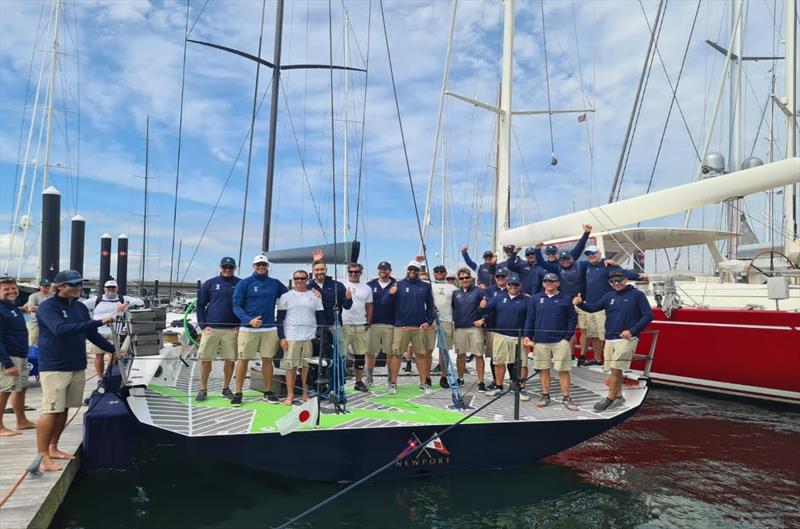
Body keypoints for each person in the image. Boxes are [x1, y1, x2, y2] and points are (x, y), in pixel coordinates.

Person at [36, 270, 117, 471]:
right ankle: (42, 455)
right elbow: (60, 330)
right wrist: (99, 321)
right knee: (51, 410)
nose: (78, 288)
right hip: (55, 365)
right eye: (74, 285)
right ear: (60, 287)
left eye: (80, 284)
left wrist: (113, 350)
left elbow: (90, 332)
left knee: (65, 409)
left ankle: (54, 447)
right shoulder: (48, 307)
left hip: (76, 364)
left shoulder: (80, 307)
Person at [573, 270, 653, 411]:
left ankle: (609, 397)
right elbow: (593, 308)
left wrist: (632, 331)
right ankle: (619, 396)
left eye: (619, 280)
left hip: (627, 338)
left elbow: (648, 316)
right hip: (610, 338)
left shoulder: (637, 295)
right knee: (615, 369)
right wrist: (580, 304)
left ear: (626, 279)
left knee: (616, 369)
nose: (616, 283)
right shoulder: (608, 296)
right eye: (612, 281)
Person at [231, 255, 288, 406]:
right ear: (253, 266)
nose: (261, 267)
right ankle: (238, 393)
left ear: (267, 266)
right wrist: (249, 320)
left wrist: (311, 291)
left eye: (263, 264)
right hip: (248, 328)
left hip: (269, 328)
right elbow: (236, 305)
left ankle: (268, 392)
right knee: (243, 360)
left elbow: (290, 296)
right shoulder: (244, 283)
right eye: (258, 264)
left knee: (268, 360)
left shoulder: (275, 283)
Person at [580, 246, 647, 365]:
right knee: (594, 335)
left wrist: (638, 276)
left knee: (603, 335)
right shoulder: (587, 266)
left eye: (594, 253)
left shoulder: (608, 266)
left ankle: (611, 362)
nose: (591, 255)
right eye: (588, 254)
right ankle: (597, 359)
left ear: (599, 254)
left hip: (603, 306)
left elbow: (623, 273)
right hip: (591, 306)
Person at [523, 273, 579, 410]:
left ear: (557, 283)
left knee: (563, 370)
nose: (549, 283)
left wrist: (567, 338)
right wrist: (527, 335)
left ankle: (566, 397)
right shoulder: (536, 299)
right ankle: (545, 395)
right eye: (546, 281)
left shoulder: (565, 298)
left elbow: (572, 319)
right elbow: (530, 318)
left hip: (560, 341)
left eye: (552, 281)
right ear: (543, 283)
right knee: (543, 369)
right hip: (540, 341)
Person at [475, 273, 531, 397]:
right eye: (511, 284)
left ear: (520, 285)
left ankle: (522, 388)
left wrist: (528, 335)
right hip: (501, 335)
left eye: (516, 284)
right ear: (507, 285)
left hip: (520, 336)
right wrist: (482, 308)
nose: (513, 287)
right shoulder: (499, 297)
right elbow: (487, 311)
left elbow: (530, 319)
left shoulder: (527, 300)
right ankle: (499, 386)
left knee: (522, 364)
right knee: (499, 362)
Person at [195, 257, 241, 402]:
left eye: (230, 267)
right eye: (225, 267)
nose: (227, 270)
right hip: (211, 329)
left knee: (230, 360)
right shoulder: (210, 283)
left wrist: (241, 324)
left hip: (231, 329)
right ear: (220, 267)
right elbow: (200, 305)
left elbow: (245, 305)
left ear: (235, 268)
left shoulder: (240, 284)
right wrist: (203, 325)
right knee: (205, 359)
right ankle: (203, 389)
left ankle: (226, 388)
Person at [277, 270, 325, 404]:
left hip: (309, 337)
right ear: (293, 279)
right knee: (290, 367)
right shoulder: (286, 296)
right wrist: (282, 337)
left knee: (306, 368)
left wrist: (320, 336)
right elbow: (279, 319)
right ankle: (290, 395)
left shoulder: (315, 296)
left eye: (302, 278)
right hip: (291, 337)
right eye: (296, 278)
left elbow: (321, 317)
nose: (299, 281)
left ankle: (305, 393)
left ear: (307, 280)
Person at [388, 261, 435, 394]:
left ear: (419, 271)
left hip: (418, 327)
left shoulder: (425, 286)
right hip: (400, 327)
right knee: (396, 355)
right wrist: (391, 294)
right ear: (406, 269)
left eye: (415, 269)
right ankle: (393, 383)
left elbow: (431, 307)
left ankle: (423, 384)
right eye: (410, 268)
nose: (413, 271)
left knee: (421, 355)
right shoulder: (398, 284)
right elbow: (386, 303)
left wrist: (429, 321)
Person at [81, 280, 144, 381]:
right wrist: (88, 320)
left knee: (115, 355)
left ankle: (108, 374)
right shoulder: (97, 299)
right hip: (98, 332)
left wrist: (126, 304)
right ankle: (100, 378)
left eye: (113, 287)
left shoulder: (122, 298)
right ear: (104, 289)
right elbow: (81, 306)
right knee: (99, 355)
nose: (110, 289)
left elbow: (141, 301)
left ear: (117, 288)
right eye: (108, 288)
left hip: (114, 332)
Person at [0, 276, 36, 436]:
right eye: (6, 289)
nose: (11, 291)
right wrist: (7, 363)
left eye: (13, 288)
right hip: (9, 356)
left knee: (21, 387)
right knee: (5, 390)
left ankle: (21, 421)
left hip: (21, 354)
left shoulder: (12, 307)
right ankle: (0, 427)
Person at [451, 268, 486, 390]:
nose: (464, 280)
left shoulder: (479, 291)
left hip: (474, 328)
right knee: (460, 355)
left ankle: (481, 381)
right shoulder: (455, 293)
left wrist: (483, 319)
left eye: (466, 277)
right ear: (459, 280)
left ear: (471, 278)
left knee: (479, 355)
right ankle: (460, 379)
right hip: (460, 328)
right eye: (461, 278)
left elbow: (489, 306)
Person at [342, 262, 373, 392]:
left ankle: (359, 382)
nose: (353, 274)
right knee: (340, 356)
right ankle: (338, 383)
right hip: (344, 324)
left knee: (360, 356)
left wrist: (369, 321)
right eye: (351, 272)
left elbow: (369, 305)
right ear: (348, 272)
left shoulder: (366, 288)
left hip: (360, 325)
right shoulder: (341, 284)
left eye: (356, 272)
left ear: (361, 273)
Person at [366, 262, 396, 386]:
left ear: (390, 270)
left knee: (390, 353)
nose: (383, 271)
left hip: (390, 324)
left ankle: (390, 379)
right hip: (373, 324)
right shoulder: (370, 285)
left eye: (386, 269)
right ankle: (369, 378)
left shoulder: (396, 284)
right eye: (381, 269)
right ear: (378, 270)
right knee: (370, 352)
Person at [429, 265, 458, 388]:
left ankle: (443, 376)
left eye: (441, 271)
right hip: (430, 321)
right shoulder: (428, 285)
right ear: (434, 273)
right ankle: (426, 377)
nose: (439, 273)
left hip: (446, 321)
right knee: (427, 350)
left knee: (443, 350)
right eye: (437, 271)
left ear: (445, 273)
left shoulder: (452, 288)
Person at [22, 278, 52, 346]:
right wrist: (49, 309)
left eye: (48, 285)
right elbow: (31, 308)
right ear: (40, 286)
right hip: (36, 322)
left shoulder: (54, 296)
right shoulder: (33, 296)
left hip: (51, 323)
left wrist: (39, 308)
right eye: (44, 286)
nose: (47, 287)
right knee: (32, 342)